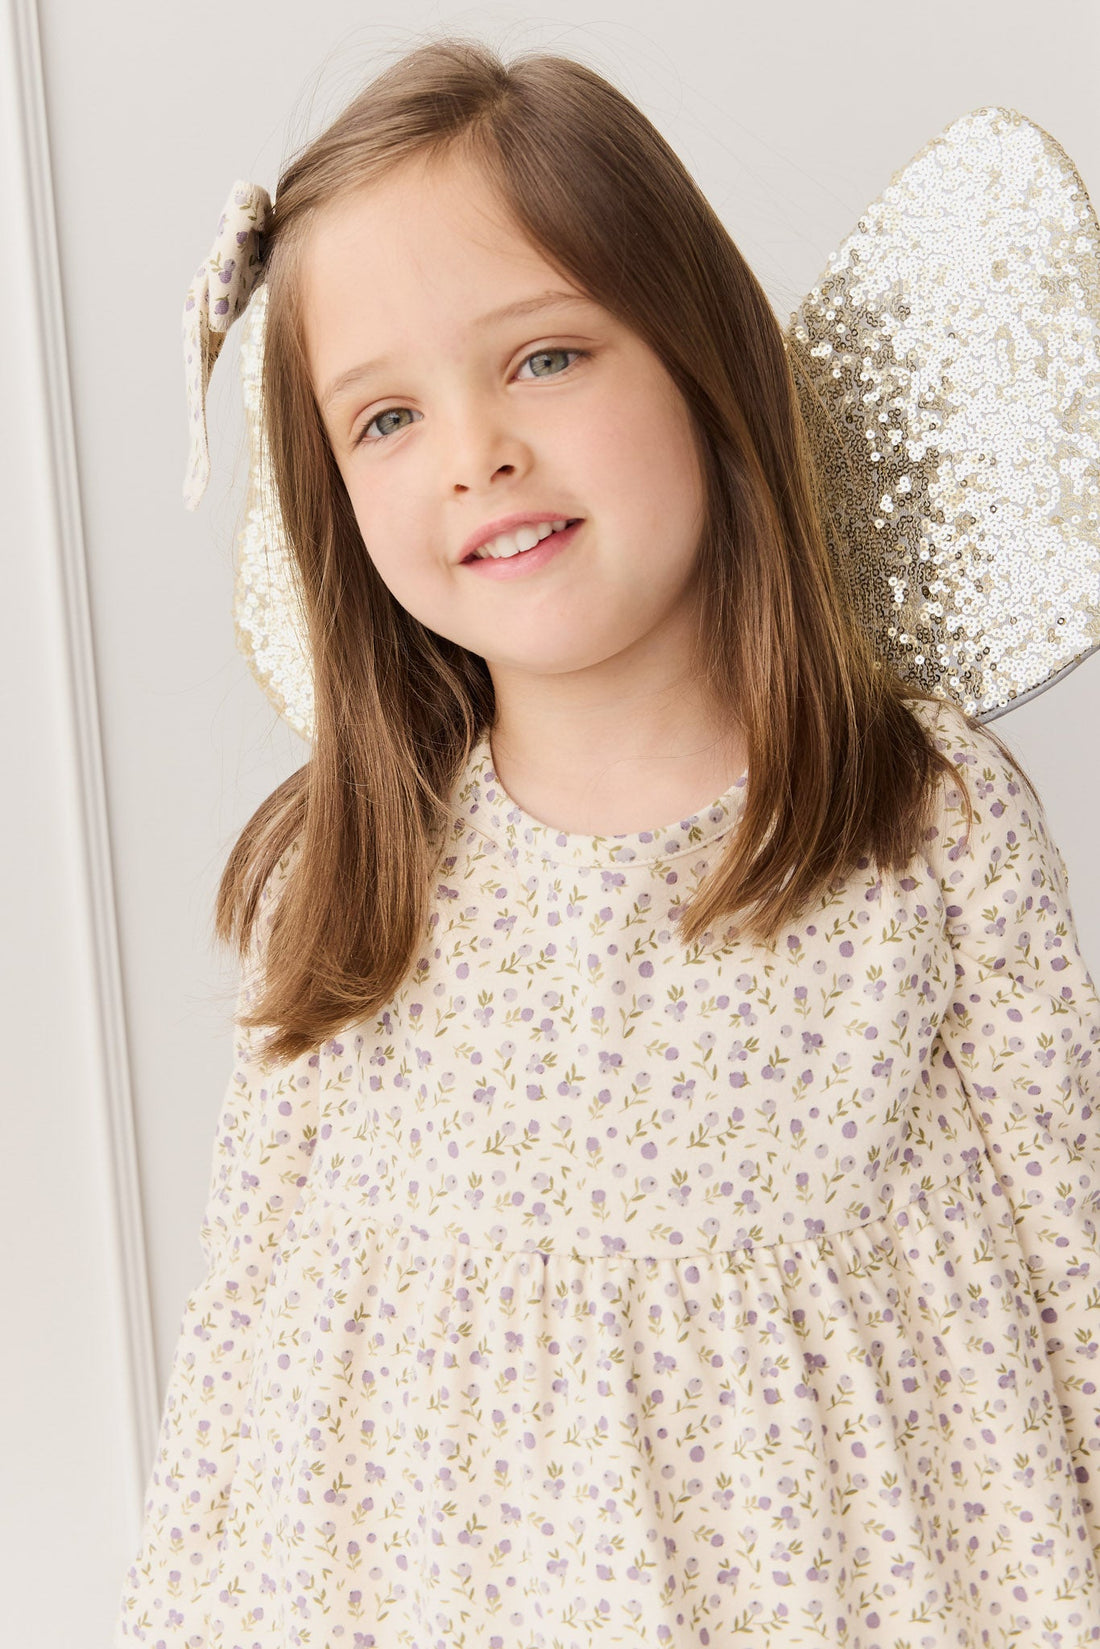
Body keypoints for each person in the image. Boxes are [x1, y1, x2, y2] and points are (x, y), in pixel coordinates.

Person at [115, 36, 1100, 1649]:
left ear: (698, 357)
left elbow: (1073, 1266)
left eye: (545, 357)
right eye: (385, 416)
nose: (474, 452)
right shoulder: (347, 872)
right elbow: (244, 1338)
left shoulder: (924, 821)